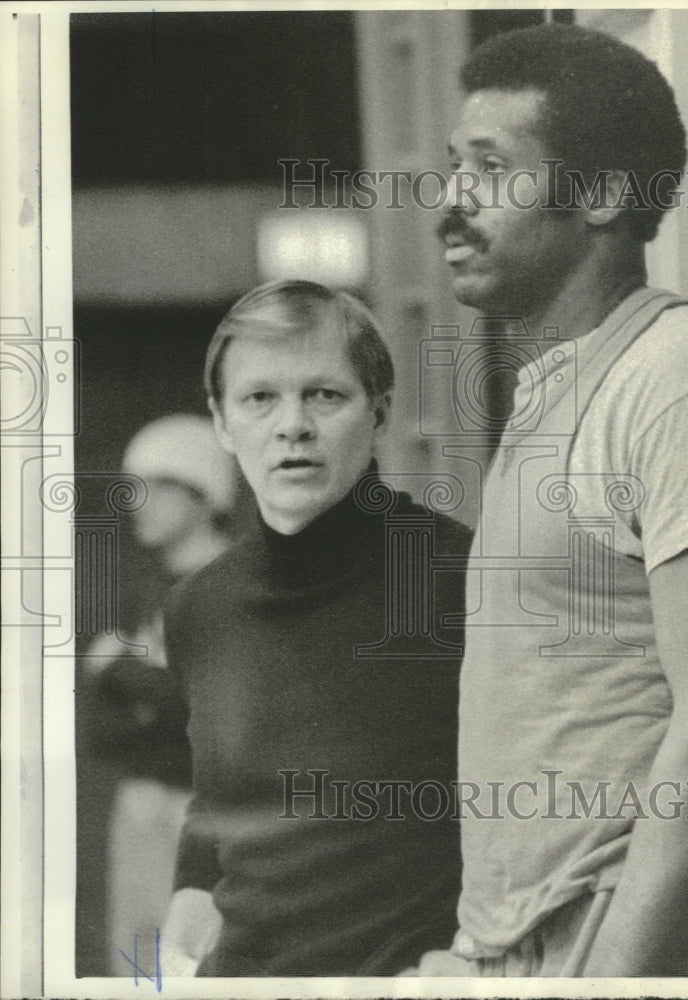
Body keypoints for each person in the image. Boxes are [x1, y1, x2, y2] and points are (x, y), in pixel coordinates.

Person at [418, 23, 688, 978]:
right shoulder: (557, 389)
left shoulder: (686, 379)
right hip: (551, 948)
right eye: (451, 166)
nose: (448, 202)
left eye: (490, 167)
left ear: (602, 195)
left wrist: (607, 985)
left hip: (660, 951)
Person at [161, 280, 471, 976]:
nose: (292, 424)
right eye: (259, 398)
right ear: (221, 422)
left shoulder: (465, 578)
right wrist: (189, 888)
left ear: (381, 411)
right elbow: (218, 800)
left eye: (324, 395)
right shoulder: (200, 608)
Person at [83, 414, 237, 974]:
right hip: (142, 805)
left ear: (200, 493)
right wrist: (145, 684)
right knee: (136, 963)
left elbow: (205, 711)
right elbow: (100, 729)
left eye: (155, 486)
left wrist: (123, 669)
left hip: (207, 815)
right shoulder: (149, 591)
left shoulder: (232, 583)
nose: (136, 502)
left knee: (198, 965)